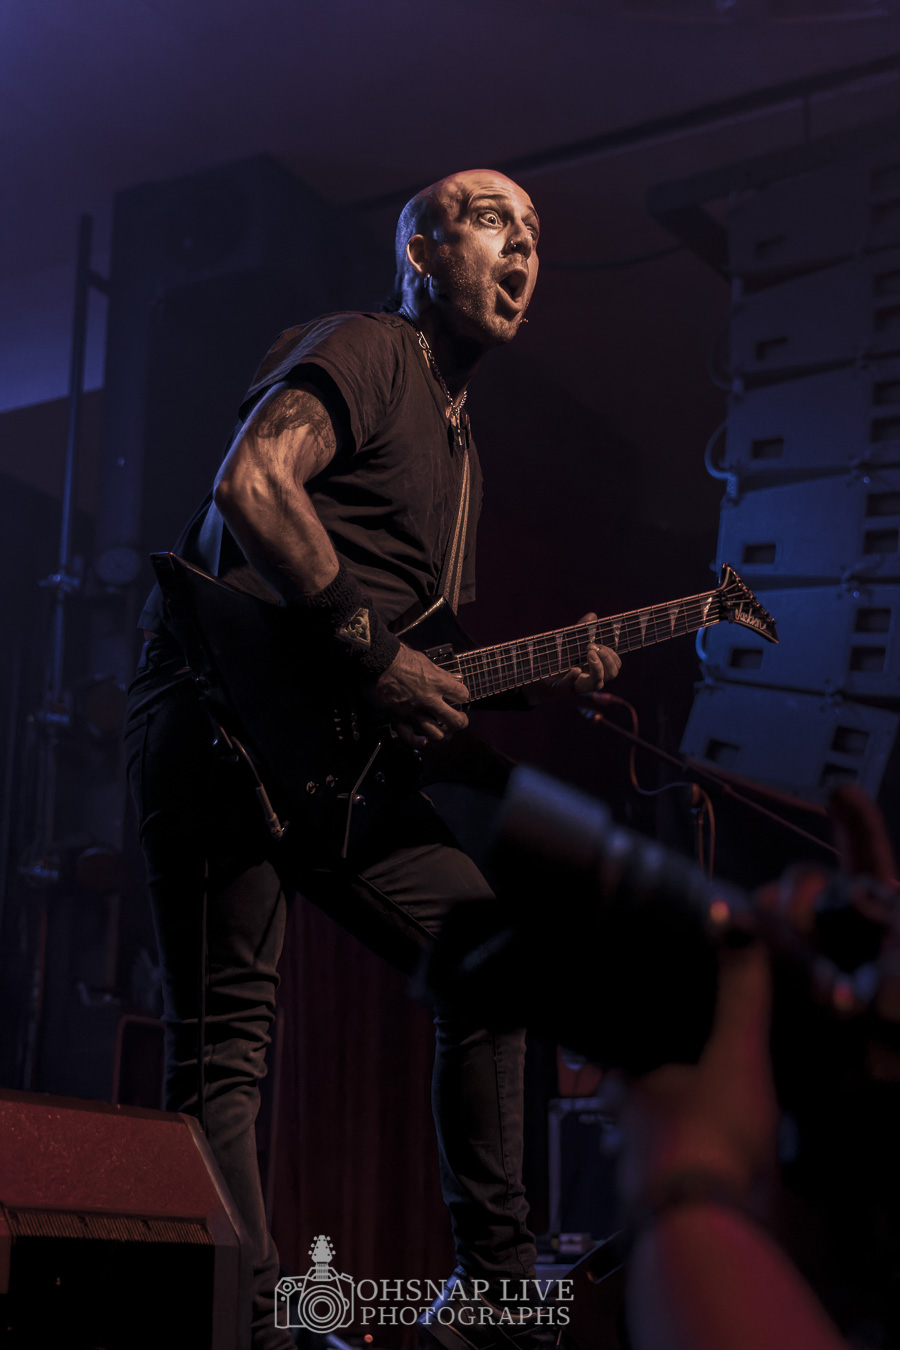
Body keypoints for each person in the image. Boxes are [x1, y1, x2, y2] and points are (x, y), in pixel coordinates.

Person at [124, 168, 622, 1350]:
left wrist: (530, 678)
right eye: (494, 223)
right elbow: (252, 486)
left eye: (535, 235)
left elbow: (415, 663)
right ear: (420, 250)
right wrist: (372, 652)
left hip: (334, 759)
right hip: (218, 714)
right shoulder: (369, 349)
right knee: (225, 1048)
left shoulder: (463, 451)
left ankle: (494, 1296)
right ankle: (249, 1330)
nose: (523, 250)